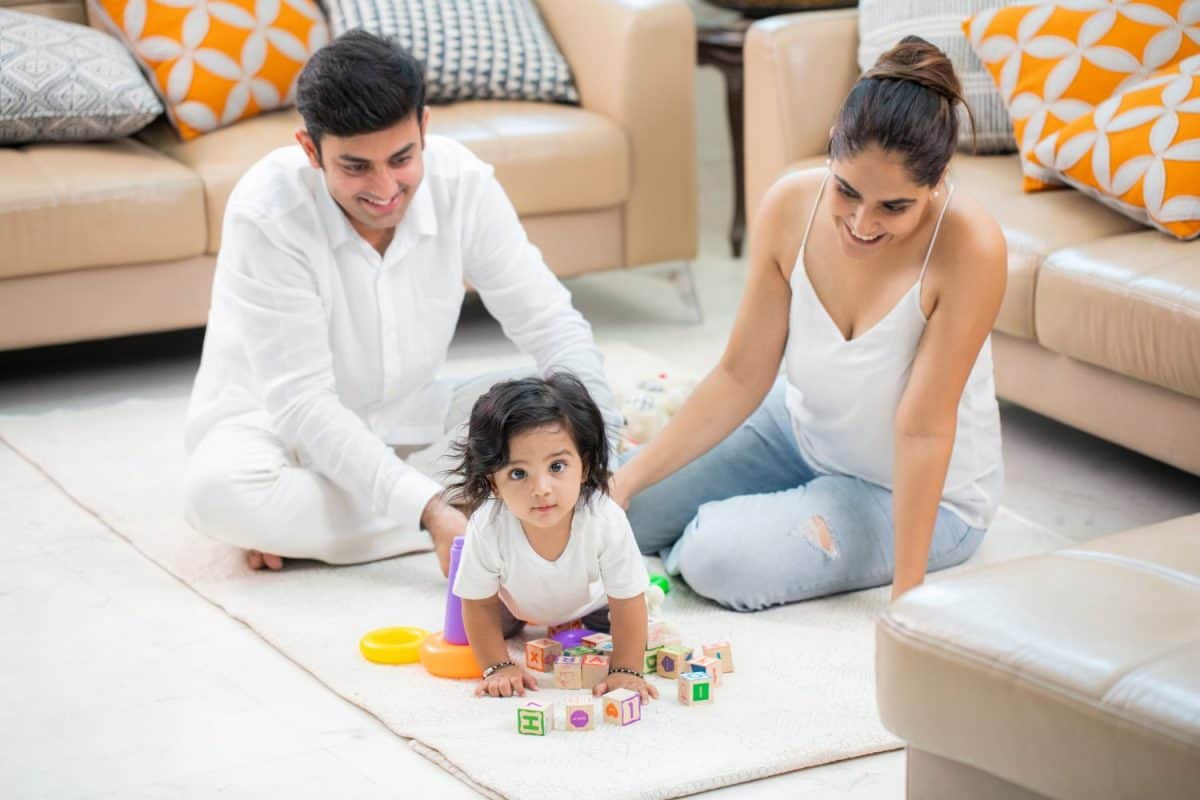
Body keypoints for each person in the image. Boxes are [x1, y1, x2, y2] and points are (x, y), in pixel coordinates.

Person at [182, 31, 621, 574]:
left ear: (424, 128)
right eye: (355, 167)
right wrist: (431, 509)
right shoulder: (266, 210)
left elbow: (551, 324)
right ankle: (482, 512)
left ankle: (321, 528)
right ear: (309, 150)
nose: (385, 187)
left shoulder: (463, 182)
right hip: (276, 430)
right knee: (219, 494)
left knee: (554, 406)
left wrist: (605, 464)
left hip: (412, 418)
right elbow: (301, 404)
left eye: (401, 157)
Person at [613, 36, 1007, 610]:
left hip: (914, 489)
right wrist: (628, 481)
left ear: (938, 180)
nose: (861, 224)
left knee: (715, 556)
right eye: (847, 191)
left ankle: (772, 518)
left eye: (893, 207)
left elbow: (923, 429)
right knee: (629, 506)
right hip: (800, 431)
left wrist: (909, 597)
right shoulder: (789, 206)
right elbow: (741, 375)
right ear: (832, 145)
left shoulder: (970, 247)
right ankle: (775, 505)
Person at [448, 374, 658, 703]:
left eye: (557, 466)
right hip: (512, 603)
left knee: (632, 617)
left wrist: (627, 670)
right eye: (518, 474)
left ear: (585, 467)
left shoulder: (604, 519)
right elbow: (479, 603)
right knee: (481, 624)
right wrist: (498, 666)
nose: (542, 488)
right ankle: (510, 632)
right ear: (492, 483)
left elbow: (627, 599)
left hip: (594, 601)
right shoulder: (487, 526)